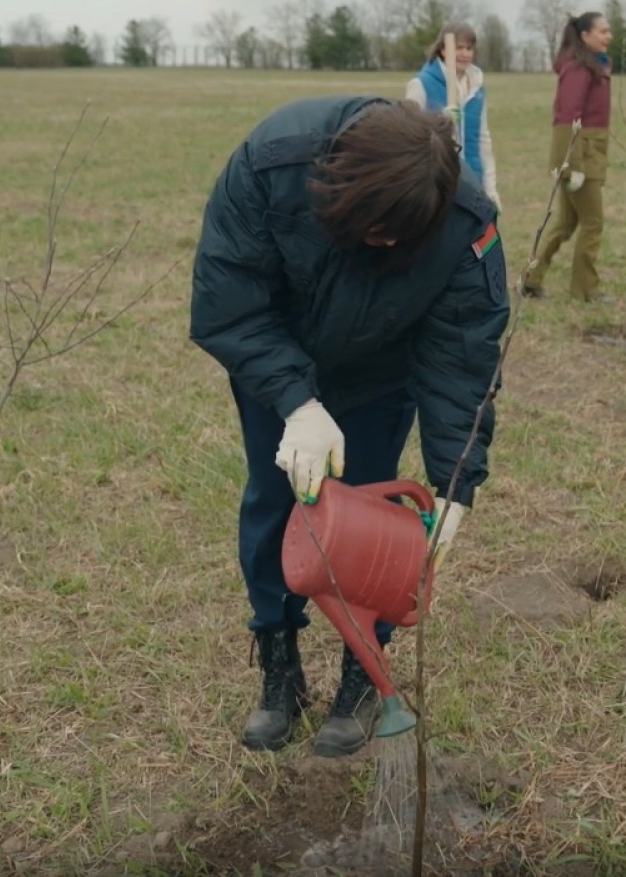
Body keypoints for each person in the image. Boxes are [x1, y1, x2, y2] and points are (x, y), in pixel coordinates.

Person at [190, 96, 508, 757]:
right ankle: (279, 666)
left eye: (400, 234)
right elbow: (227, 304)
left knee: (372, 524)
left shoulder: (464, 223)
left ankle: (362, 673)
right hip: (277, 370)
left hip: (379, 378)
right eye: (372, 230)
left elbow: (462, 357)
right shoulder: (270, 165)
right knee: (275, 505)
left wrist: (455, 482)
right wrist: (295, 402)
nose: (387, 244)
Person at [525, 11, 613, 302]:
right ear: (585, 36)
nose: (608, 36)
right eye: (602, 31)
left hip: (590, 152)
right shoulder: (579, 68)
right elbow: (566, 117)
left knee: (566, 223)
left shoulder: (595, 65)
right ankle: (585, 289)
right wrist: (570, 165)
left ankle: (531, 279)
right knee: (593, 222)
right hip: (581, 157)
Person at [405, 22, 501, 212]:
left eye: (469, 48)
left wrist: (490, 188)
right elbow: (407, 132)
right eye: (458, 48)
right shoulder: (421, 84)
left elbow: (482, 138)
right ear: (442, 50)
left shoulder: (476, 88)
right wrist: (439, 119)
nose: (465, 53)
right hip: (437, 180)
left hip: (472, 179)